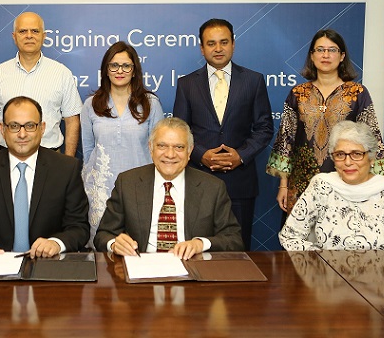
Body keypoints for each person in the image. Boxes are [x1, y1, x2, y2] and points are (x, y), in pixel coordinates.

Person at [173, 18, 273, 250]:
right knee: (195, 249)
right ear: (202, 48)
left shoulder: (253, 80)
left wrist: (240, 155)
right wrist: (201, 155)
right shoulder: (187, 84)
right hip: (198, 180)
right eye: (211, 43)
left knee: (237, 249)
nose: (218, 48)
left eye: (224, 42)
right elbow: (180, 130)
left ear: (233, 44)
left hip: (240, 181)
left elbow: (264, 128)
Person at [267, 29, 384, 214]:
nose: (325, 55)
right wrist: (283, 185)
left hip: (346, 182)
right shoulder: (298, 94)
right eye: (320, 50)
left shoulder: (357, 93)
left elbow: (372, 141)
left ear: (342, 56)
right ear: (312, 56)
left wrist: (376, 185)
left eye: (332, 50)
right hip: (301, 185)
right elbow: (286, 142)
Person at [0, 96, 89, 261]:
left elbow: (79, 227)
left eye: (30, 126)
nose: (22, 134)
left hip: (48, 264)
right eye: (14, 126)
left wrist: (56, 243)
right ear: (2, 129)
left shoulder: (66, 168)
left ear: (42, 128)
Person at [94, 117, 244, 259]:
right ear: (151, 148)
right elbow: (103, 235)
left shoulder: (213, 187)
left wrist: (200, 244)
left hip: (192, 266)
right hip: (141, 266)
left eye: (179, 147)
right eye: (162, 146)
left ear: (189, 151)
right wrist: (114, 244)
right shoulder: (127, 183)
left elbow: (234, 240)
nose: (170, 154)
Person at [279, 121, 384, 251]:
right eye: (340, 154)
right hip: (328, 277)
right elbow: (289, 237)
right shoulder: (321, 186)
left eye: (357, 154)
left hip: (380, 277)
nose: (347, 162)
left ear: (371, 158)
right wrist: (323, 263)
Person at [81, 41, 164, 244]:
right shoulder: (91, 105)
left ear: (134, 70)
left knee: (139, 245)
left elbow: (159, 148)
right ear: (106, 69)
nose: (120, 71)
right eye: (114, 65)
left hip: (140, 187)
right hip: (102, 191)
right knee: (103, 246)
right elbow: (88, 150)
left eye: (126, 66)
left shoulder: (150, 103)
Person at [0, 12, 82, 156]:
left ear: (44, 36)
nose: (29, 36)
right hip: (6, 158)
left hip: (51, 158)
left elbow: (72, 121)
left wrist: (68, 163)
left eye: (35, 31)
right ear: (14, 36)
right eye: (23, 31)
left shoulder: (62, 73)